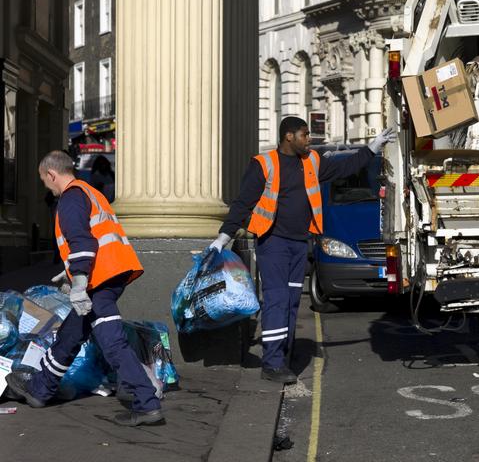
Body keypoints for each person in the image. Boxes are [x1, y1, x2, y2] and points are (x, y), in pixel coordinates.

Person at [210, 116, 396, 384]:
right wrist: (222, 238)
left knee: (292, 302)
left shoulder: (312, 162)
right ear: (289, 136)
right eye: (305, 134)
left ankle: (284, 355)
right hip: (272, 243)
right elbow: (242, 203)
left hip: (299, 244)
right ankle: (272, 364)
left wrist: (372, 148)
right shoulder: (263, 164)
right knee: (277, 299)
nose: (309, 139)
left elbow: (345, 168)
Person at [6, 150, 164, 427]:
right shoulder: (89, 192)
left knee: (112, 340)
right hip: (108, 274)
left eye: (44, 180)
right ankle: (41, 390)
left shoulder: (70, 199)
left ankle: (147, 403)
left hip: (98, 280)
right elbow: (95, 239)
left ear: (51, 174)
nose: (47, 186)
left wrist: (78, 282)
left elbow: (83, 242)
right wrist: (71, 275)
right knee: (71, 333)